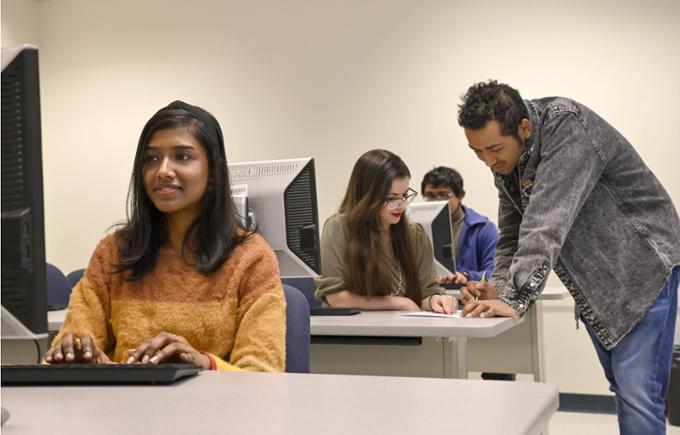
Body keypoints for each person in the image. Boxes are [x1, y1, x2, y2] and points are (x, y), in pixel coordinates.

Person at [457, 80, 680, 434]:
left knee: (639, 397)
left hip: (642, 268)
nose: (488, 160)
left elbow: (547, 219)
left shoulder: (566, 126)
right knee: (627, 391)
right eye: (477, 152)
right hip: (597, 282)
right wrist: (498, 288)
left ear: (524, 129)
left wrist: (516, 296)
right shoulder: (507, 163)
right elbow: (513, 235)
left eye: (494, 149)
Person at [45, 101, 286, 372]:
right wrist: (81, 360)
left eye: (182, 157)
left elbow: (263, 375)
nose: (163, 171)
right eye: (151, 159)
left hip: (217, 411)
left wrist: (202, 364)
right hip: (122, 410)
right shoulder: (114, 252)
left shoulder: (251, 257)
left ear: (214, 172)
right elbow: (71, 347)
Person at [314, 149, 457, 313]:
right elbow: (337, 298)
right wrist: (400, 303)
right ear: (367, 196)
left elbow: (426, 294)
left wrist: (435, 300)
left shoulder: (415, 235)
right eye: (391, 198)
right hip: (350, 333)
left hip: (403, 333)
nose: (401, 205)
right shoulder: (339, 228)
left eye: (404, 195)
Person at [421, 166, 499, 284]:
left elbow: (495, 273)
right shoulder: (417, 227)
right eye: (430, 195)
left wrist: (467, 276)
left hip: (468, 297)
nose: (436, 201)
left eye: (443, 195)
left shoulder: (484, 229)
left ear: (460, 196)